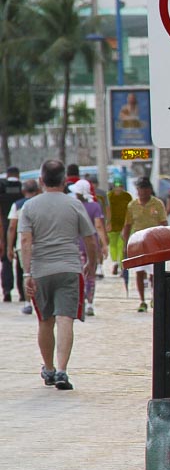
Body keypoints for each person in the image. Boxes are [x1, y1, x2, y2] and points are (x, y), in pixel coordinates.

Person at [19, 160, 98, 390]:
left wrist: (27, 274)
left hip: (41, 270)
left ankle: (49, 368)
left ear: (42, 181)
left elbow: (25, 240)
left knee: (45, 320)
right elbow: (90, 238)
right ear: (65, 181)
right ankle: (63, 371)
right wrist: (91, 263)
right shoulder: (74, 205)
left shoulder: (29, 207)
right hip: (69, 268)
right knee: (65, 319)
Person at [121, 177, 167, 312]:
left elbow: (163, 223)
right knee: (139, 272)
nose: (142, 192)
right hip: (138, 242)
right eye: (140, 189)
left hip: (154, 241)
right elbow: (127, 225)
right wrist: (125, 245)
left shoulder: (157, 204)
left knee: (154, 273)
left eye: (145, 189)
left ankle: (154, 297)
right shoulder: (132, 206)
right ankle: (142, 300)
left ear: (149, 190)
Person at [68, 180, 108, 316]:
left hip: (76, 245)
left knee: (78, 275)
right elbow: (99, 226)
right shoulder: (95, 206)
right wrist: (104, 244)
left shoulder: (74, 206)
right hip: (92, 245)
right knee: (91, 274)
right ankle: (90, 303)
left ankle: (80, 301)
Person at [7, 179, 40, 314]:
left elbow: (12, 227)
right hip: (39, 244)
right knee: (39, 273)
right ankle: (39, 300)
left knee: (26, 273)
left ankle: (27, 302)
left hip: (22, 244)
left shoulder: (17, 205)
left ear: (23, 190)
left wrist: (10, 247)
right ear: (37, 190)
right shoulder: (40, 204)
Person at [1, 166, 22, 302]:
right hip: (21, 229)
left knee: (6, 261)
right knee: (21, 259)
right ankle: (23, 292)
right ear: (18, 175)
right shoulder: (23, 190)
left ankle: (7, 290)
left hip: (4, 227)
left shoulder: (2, 189)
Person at [106, 178, 132, 275]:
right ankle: (115, 263)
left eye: (120, 186)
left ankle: (121, 266)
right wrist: (107, 223)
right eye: (116, 186)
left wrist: (128, 224)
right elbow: (106, 210)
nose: (118, 188)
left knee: (121, 245)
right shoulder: (109, 196)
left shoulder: (127, 196)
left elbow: (130, 211)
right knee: (113, 245)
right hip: (112, 224)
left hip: (123, 225)